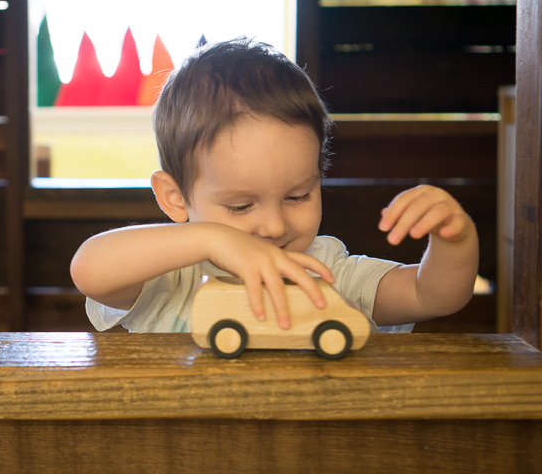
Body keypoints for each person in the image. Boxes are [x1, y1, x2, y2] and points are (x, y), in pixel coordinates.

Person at [70, 38, 479, 334]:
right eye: (241, 206)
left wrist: (453, 241)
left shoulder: (327, 273)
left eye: (297, 196)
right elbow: (89, 269)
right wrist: (210, 241)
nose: (273, 225)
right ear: (175, 198)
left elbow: (433, 297)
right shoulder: (169, 277)